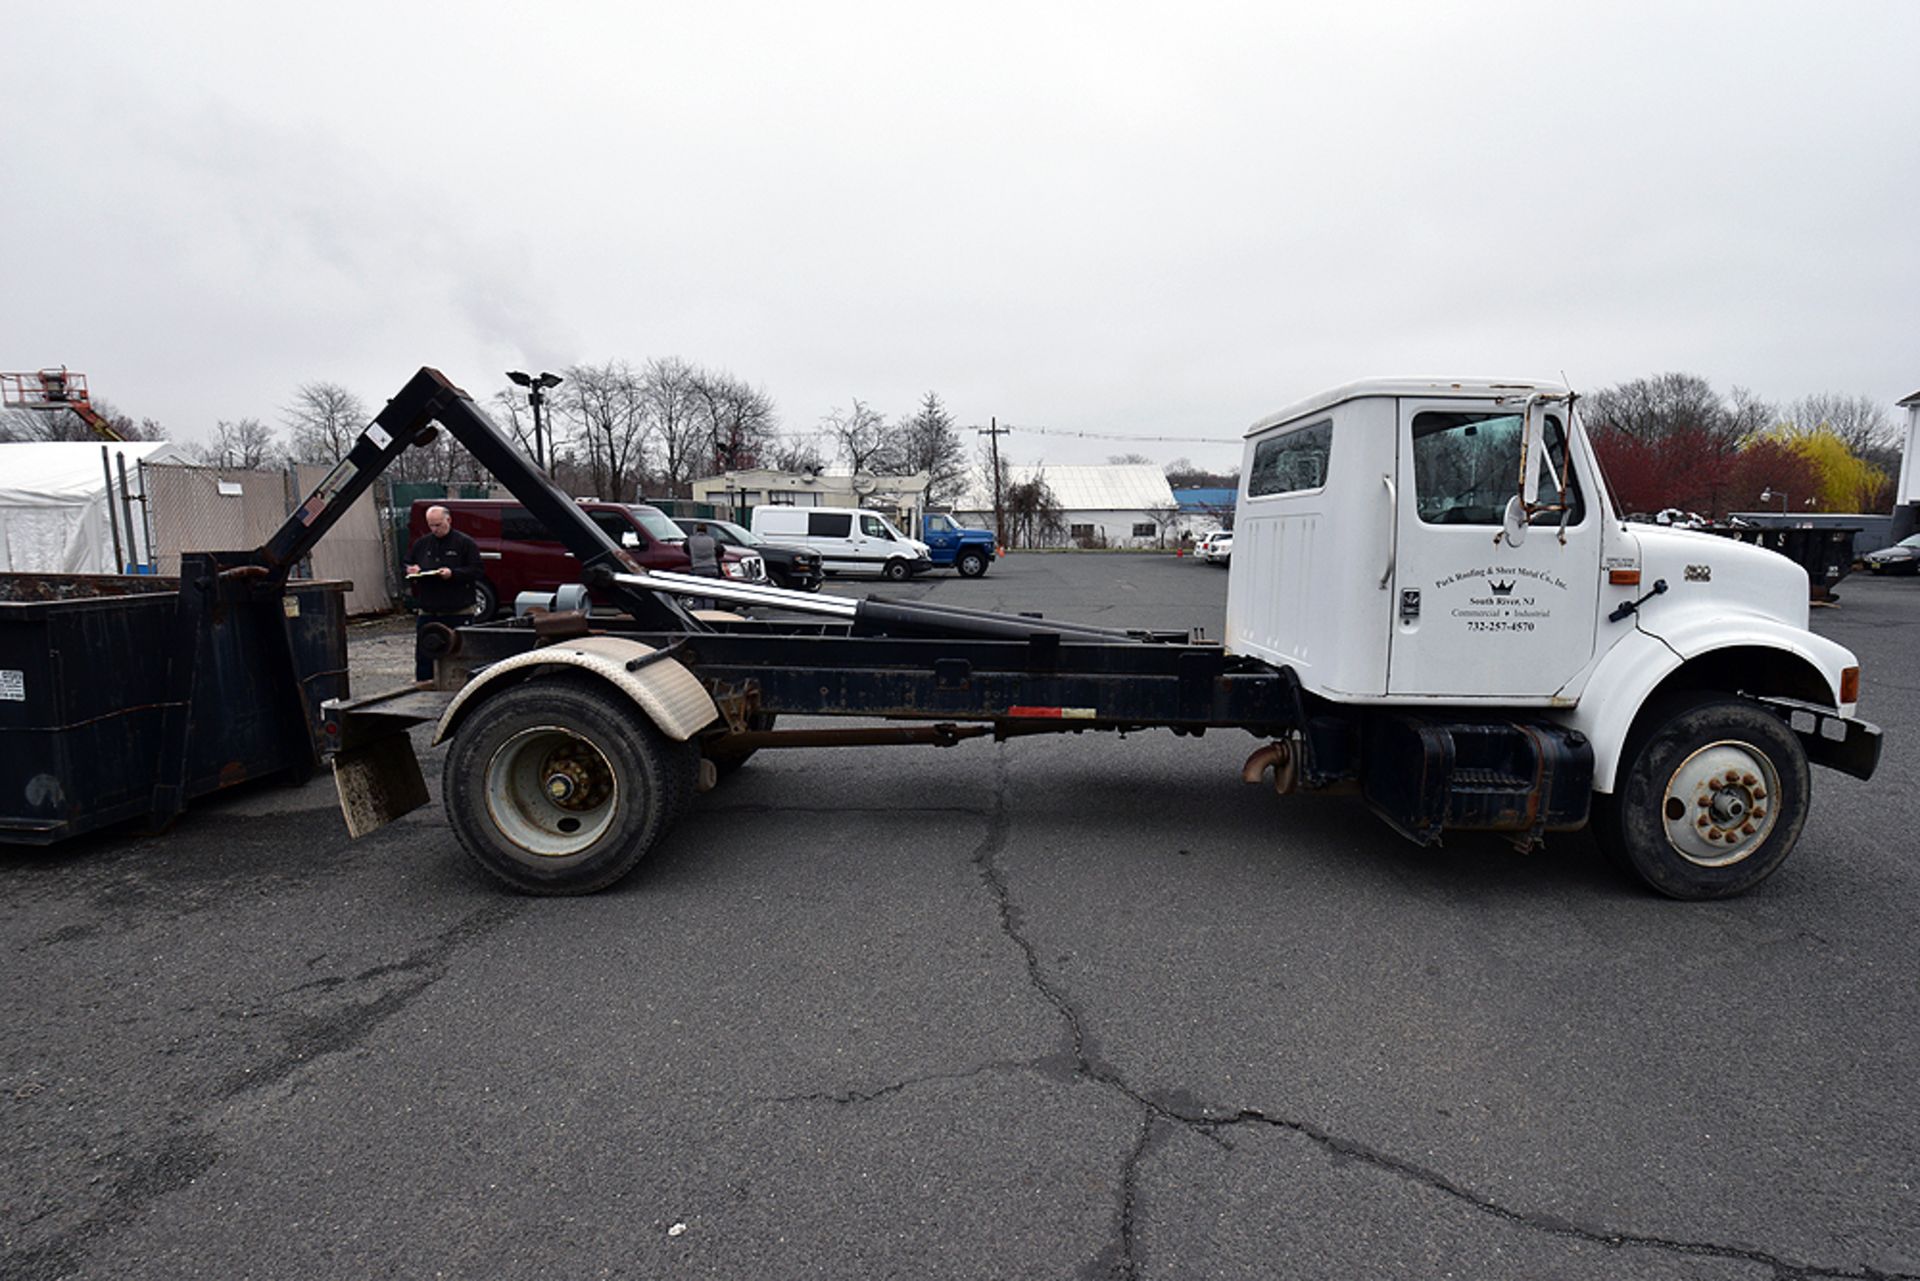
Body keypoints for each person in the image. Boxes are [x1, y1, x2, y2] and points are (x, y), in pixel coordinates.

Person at [406, 504, 482, 681]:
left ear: (449, 520)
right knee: (425, 654)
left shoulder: (465, 543)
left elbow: (477, 570)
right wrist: (413, 570)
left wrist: (453, 574)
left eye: (438, 525)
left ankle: (460, 685)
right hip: (429, 610)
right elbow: (407, 562)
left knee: (460, 654)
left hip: (458, 610)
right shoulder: (422, 544)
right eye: (431, 525)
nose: (434, 529)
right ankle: (424, 685)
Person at [685, 521, 723, 610]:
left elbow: (685, 549)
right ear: (706, 531)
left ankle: (699, 614)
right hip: (712, 569)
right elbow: (720, 551)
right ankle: (710, 614)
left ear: (695, 530)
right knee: (709, 595)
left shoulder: (690, 540)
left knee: (698, 594)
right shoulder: (712, 540)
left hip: (697, 569)